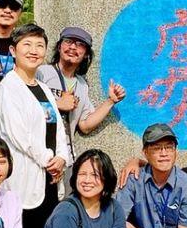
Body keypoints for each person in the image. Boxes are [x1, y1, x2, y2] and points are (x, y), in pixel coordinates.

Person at [0, 24, 71, 228]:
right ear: (13, 50)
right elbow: (20, 136)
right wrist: (50, 161)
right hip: (25, 178)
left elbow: (58, 128)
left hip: (50, 177)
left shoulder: (43, 88)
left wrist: (62, 159)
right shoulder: (9, 87)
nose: (33, 50)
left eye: (39, 45)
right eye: (26, 44)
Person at [37, 26, 127, 167]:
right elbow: (25, 105)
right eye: (68, 41)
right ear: (59, 47)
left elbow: (85, 125)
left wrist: (110, 101)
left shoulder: (82, 85)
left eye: (80, 45)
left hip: (64, 158)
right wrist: (57, 104)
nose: (73, 47)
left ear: (86, 54)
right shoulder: (42, 72)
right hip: (37, 152)